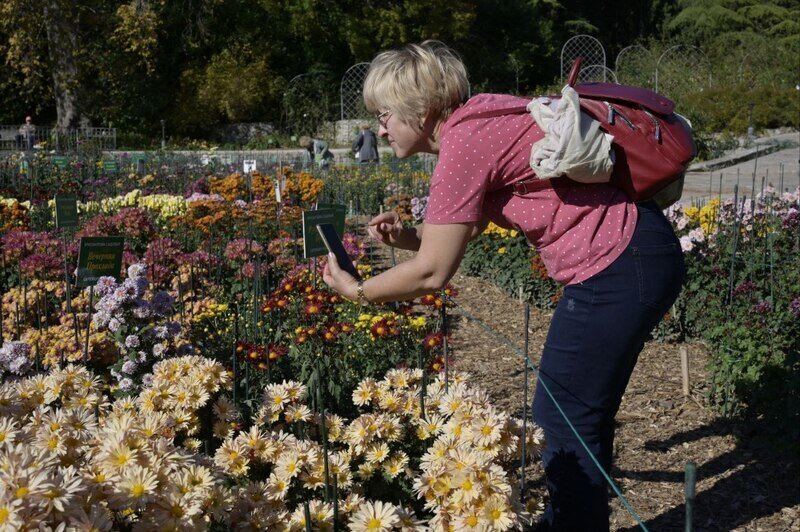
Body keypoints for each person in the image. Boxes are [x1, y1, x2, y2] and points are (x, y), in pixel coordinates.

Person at [322, 41, 685, 531]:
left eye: (384, 114)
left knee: (562, 418)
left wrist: (357, 292)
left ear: (421, 109)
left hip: (618, 263)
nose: (379, 128)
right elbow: (458, 235)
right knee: (573, 416)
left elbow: (433, 272)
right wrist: (407, 237)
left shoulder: (464, 142)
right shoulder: (479, 122)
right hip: (632, 255)